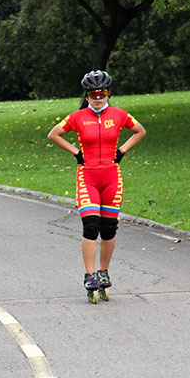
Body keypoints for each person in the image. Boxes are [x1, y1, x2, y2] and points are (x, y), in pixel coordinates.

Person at [47, 70, 146, 295]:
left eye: (101, 94)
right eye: (93, 95)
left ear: (108, 93)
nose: (98, 98)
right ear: (87, 96)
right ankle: (89, 274)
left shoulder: (119, 115)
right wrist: (75, 152)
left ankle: (104, 271)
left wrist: (122, 151)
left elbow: (140, 131)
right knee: (91, 226)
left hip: (111, 177)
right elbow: (53, 134)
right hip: (88, 177)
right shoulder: (77, 117)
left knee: (109, 228)